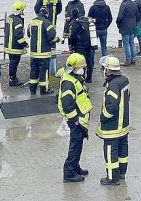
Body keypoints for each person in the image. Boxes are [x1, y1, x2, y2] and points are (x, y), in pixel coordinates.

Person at [58, 53, 92, 183]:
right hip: (76, 120)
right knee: (75, 146)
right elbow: (68, 105)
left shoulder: (73, 77)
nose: (83, 69)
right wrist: (76, 121)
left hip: (79, 118)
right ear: (75, 68)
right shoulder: (69, 82)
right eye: (81, 67)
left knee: (78, 145)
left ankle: (75, 167)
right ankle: (69, 173)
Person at [97, 56, 131, 186]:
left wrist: (103, 117)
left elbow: (111, 107)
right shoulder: (124, 80)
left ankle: (112, 178)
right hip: (124, 125)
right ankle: (121, 173)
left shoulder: (112, 85)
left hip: (113, 127)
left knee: (111, 152)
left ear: (108, 70)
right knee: (123, 150)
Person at [27, 7, 58, 94]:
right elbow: (52, 37)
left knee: (33, 71)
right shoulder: (47, 23)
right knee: (43, 72)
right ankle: (44, 90)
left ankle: (32, 90)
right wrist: (58, 39)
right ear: (46, 14)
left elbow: (28, 34)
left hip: (33, 53)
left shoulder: (31, 22)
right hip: (43, 53)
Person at [35, 0, 63, 76]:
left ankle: (43, 68)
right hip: (53, 25)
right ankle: (52, 70)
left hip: (42, 25)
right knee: (53, 46)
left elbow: (36, 9)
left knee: (42, 45)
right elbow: (59, 10)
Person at [4, 1, 29, 86]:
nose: (23, 11)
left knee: (12, 62)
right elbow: (18, 36)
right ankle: (13, 80)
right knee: (14, 63)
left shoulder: (9, 18)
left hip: (8, 45)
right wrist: (25, 44)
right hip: (15, 47)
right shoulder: (18, 21)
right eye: (22, 10)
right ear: (20, 11)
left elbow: (6, 31)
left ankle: (13, 77)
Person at [68, 8, 95, 83]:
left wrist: (72, 46)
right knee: (90, 61)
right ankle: (89, 78)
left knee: (81, 62)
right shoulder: (87, 21)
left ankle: (81, 77)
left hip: (80, 46)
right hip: (90, 45)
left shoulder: (75, 23)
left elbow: (73, 36)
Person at [116, 0, 138, 66]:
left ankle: (128, 60)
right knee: (131, 43)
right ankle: (133, 59)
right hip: (132, 25)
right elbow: (137, 15)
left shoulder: (123, 5)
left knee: (126, 44)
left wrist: (117, 23)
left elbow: (120, 17)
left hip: (125, 26)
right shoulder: (134, 3)